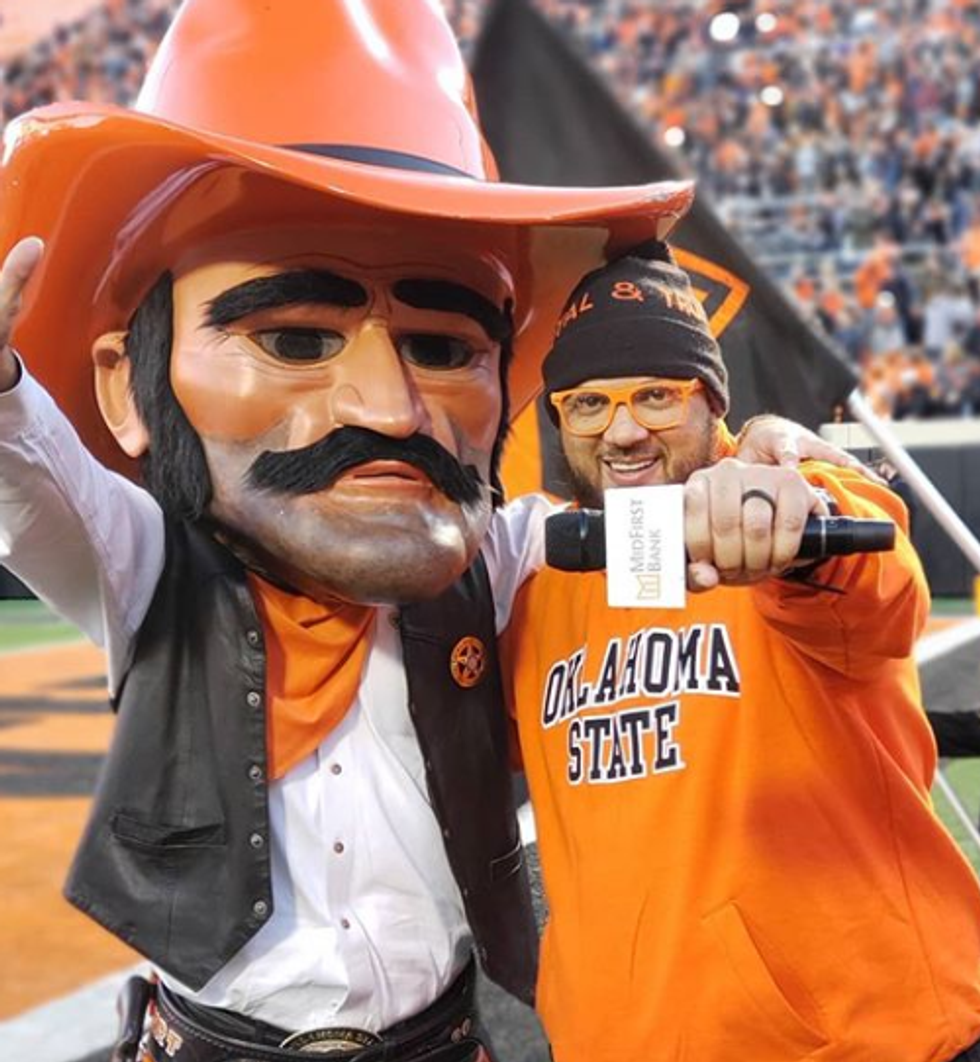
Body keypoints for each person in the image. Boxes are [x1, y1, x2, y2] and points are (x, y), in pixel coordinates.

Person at [501, 242, 980, 1062]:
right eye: (588, 404)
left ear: (713, 403)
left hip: (867, 1040)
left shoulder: (792, 504)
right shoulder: (539, 574)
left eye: (656, 396)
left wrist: (784, 522)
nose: (622, 431)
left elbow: (873, 576)